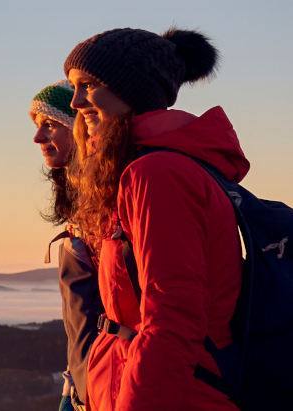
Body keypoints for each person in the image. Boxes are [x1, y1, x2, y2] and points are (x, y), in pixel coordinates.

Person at [62, 27, 240, 411]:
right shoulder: (151, 167)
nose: (75, 102)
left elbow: (173, 320)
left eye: (88, 85)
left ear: (132, 91)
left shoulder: (157, 174)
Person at [31, 79, 102, 411]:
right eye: (36, 125)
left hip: (110, 385)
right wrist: (72, 385)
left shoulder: (107, 206)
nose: (37, 137)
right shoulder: (83, 208)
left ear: (80, 127)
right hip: (85, 385)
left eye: (50, 124)